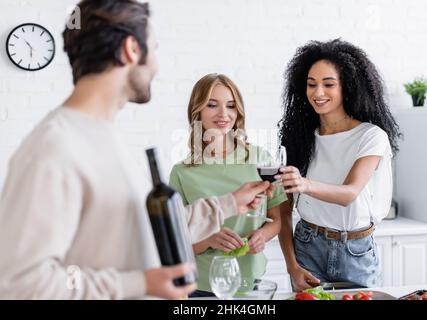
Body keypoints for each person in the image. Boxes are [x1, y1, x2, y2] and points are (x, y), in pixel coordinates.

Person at [0, 0, 274, 300]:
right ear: (132, 49)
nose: (156, 65)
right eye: (154, 49)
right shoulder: (53, 151)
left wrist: (229, 204)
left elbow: (145, 230)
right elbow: (21, 284)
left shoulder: (103, 140)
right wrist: (140, 284)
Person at [277, 39, 402, 290]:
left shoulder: (371, 136)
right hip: (307, 246)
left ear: (348, 87)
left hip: (355, 251)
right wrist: (292, 266)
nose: (318, 93)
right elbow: (283, 209)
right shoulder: (299, 137)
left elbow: (349, 193)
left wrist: (304, 184)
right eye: (311, 84)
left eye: (328, 84)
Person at [169, 73, 288, 297]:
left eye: (231, 106)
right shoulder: (182, 172)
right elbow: (176, 241)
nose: (224, 114)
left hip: (250, 279)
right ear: (197, 111)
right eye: (212, 105)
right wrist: (208, 239)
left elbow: (277, 219)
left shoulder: (260, 159)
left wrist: (262, 236)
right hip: (203, 285)